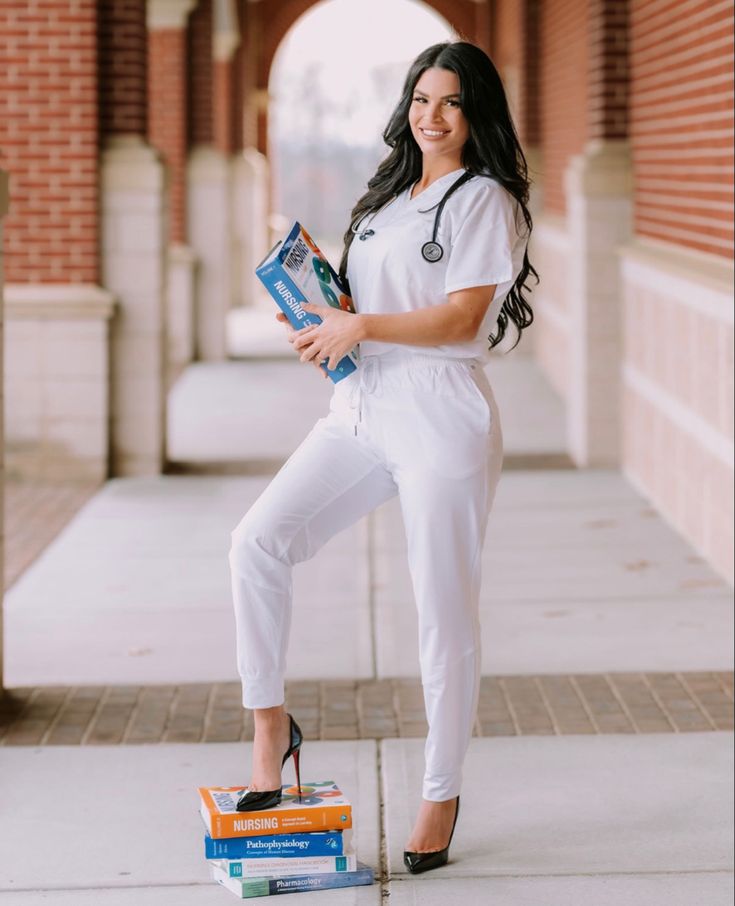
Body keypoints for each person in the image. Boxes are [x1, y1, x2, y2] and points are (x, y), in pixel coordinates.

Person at [229, 40, 537, 874]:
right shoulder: (389, 196)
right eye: (419, 100)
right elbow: (370, 301)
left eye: (450, 103)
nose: (431, 117)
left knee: (441, 612)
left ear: (476, 114)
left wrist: (359, 325)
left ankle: (439, 790)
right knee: (256, 542)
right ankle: (268, 726)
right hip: (358, 405)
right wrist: (325, 316)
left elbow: (460, 319)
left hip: (439, 412)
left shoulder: (486, 201)